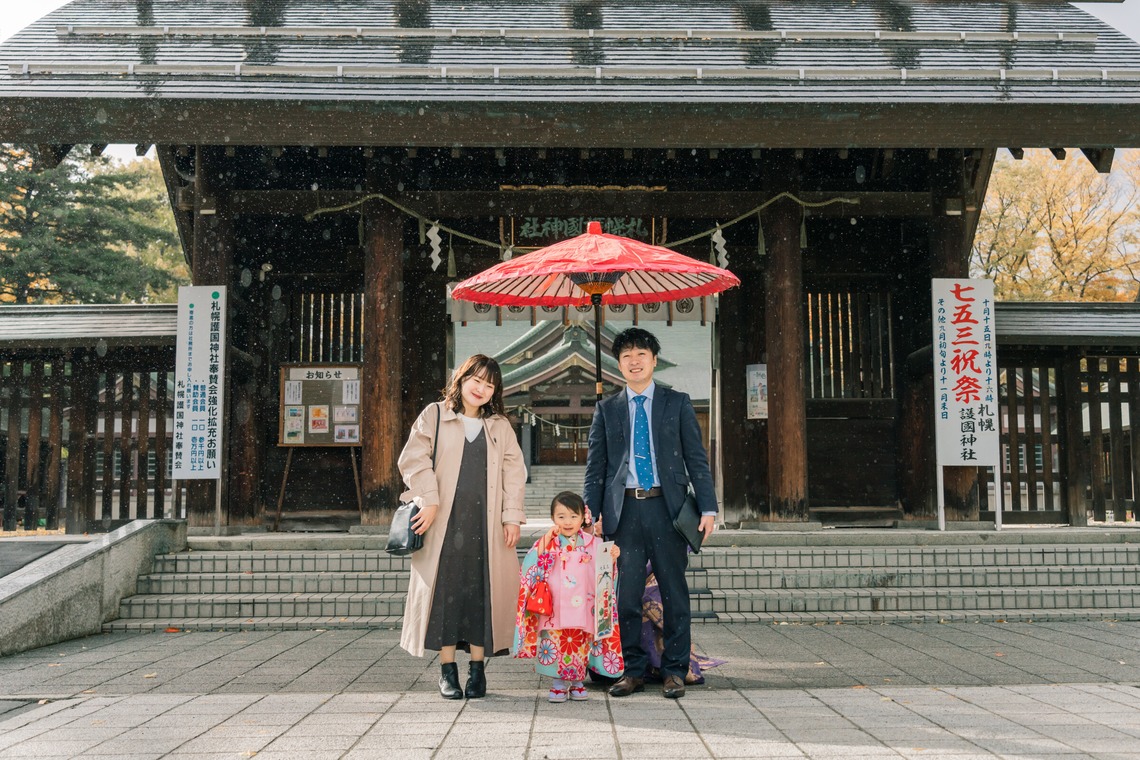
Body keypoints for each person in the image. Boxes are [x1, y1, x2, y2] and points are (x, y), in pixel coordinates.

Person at [583, 327, 718, 699]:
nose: (634, 361)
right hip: (623, 512)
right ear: (619, 364)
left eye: (641, 354)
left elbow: (696, 459)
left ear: (654, 360)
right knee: (626, 596)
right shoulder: (606, 409)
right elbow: (596, 468)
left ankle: (675, 670)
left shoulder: (677, 403)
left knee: (674, 592)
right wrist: (589, 513)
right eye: (626, 356)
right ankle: (633, 670)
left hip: (668, 510)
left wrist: (708, 506)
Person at [397, 354, 527, 700]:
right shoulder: (436, 415)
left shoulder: (499, 425)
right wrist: (431, 498)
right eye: (476, 379)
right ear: (461, 377)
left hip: (487, 524)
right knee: (445, 593)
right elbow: (413, 458)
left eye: (489, 384)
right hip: (444, 523)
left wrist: (511, 515)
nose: (481, 388)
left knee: (482, 592)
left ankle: (478, 670)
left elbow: (514, 472)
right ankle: (447, 670)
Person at [513, 491, 624, 702]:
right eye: (561, 516)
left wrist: (611, 558)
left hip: (583, 605)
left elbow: (604, 573)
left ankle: (577, 681)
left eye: (574, 516)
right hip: (556, 606)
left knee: (580, 643)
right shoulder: (548, 542)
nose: (567, 521)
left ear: (583, 518)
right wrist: (545, 544)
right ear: (553, 518)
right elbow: (531, 564)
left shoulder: (593, 543)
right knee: (555, 641)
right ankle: (557, 682)